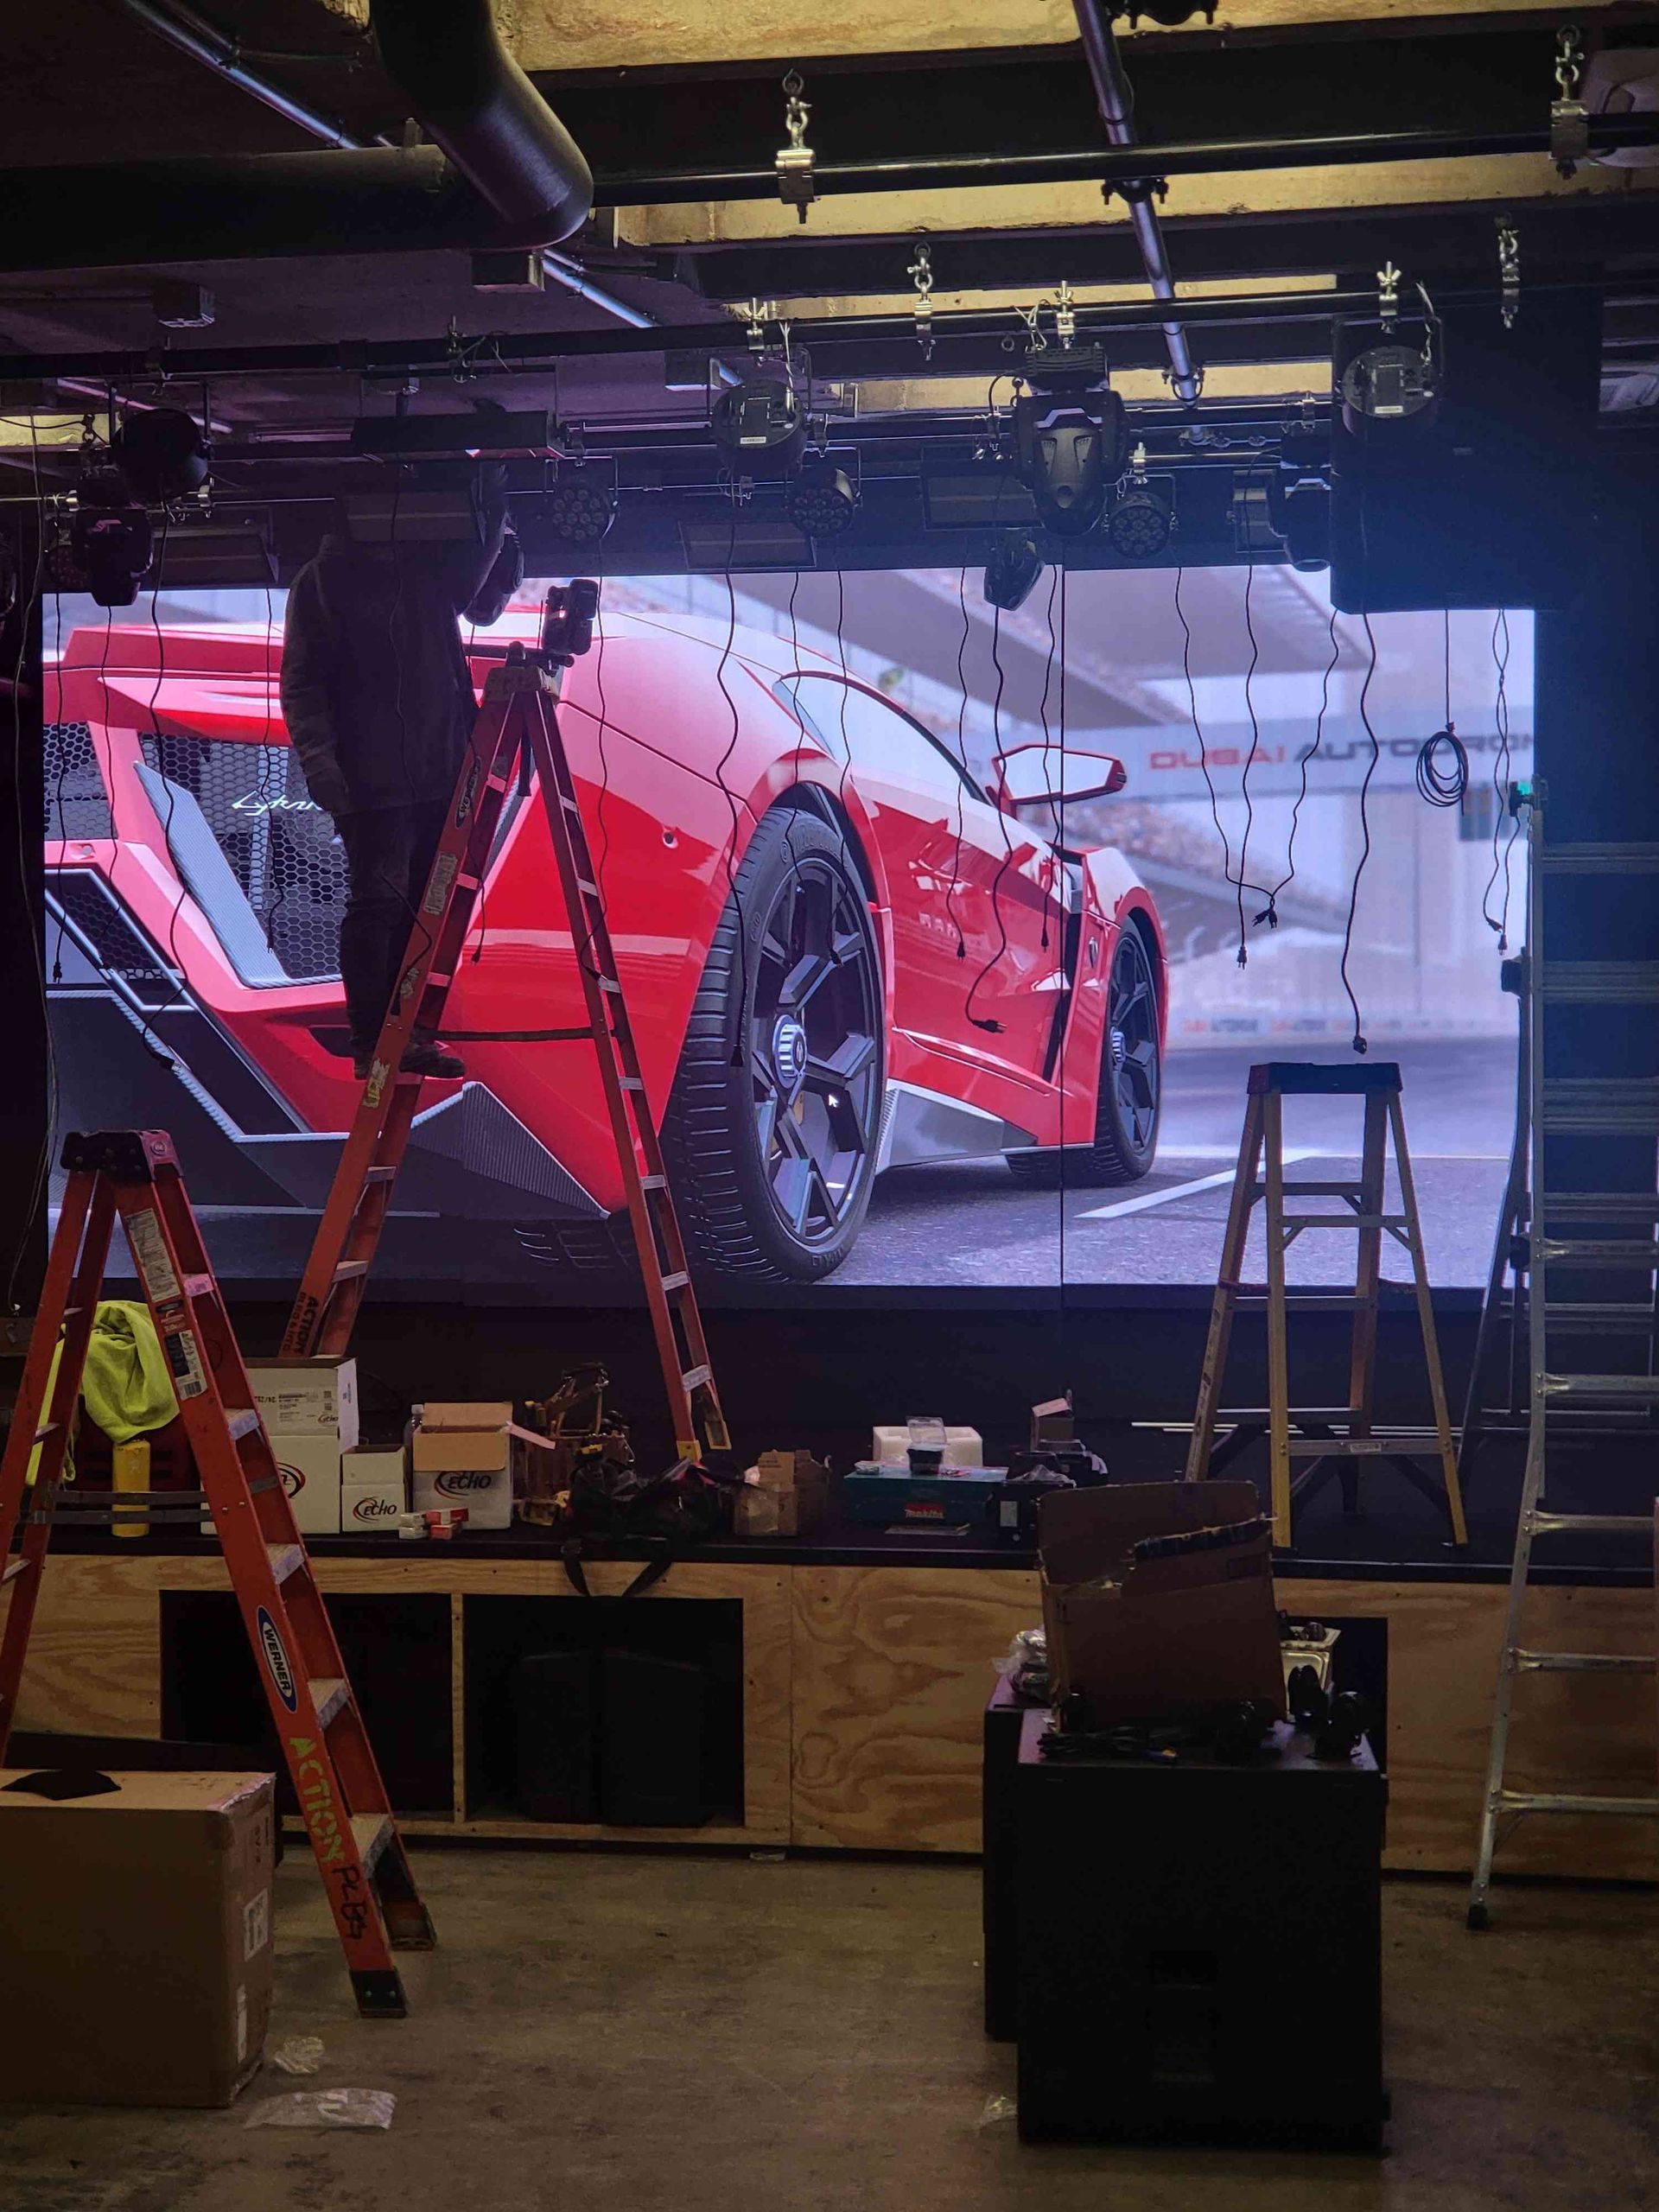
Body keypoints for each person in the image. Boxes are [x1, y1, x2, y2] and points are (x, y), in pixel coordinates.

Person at [280, 467, 514, 1080]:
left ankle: (404, 1036)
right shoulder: (324, 582)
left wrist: (493, 493)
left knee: (418, 907)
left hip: (437, 774)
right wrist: (321, 767)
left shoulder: (425, 570)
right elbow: (303, 686)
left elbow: (477, 578)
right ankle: (371, 1039)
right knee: (381, 904)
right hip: (372, 785)